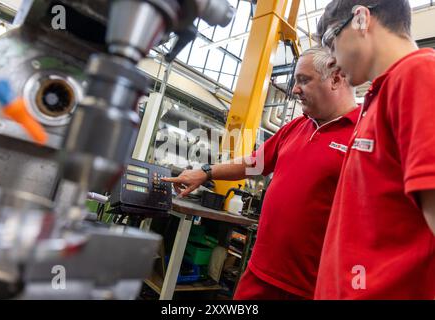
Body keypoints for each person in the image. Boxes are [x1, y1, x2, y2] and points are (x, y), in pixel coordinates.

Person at [162, 46, 360, 300]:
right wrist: (206, 172)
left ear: (335, 78)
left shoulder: (363, 135)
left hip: (309, 288)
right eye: (295, 81)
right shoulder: (296, 127)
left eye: (304, 80)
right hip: (258, 274)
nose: (295, 89)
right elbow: (254, 164)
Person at [316, 0, 435, 299]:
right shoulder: (378, 97)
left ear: (361, 19)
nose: (330, 60)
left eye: (331, 41)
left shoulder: (419, 75)